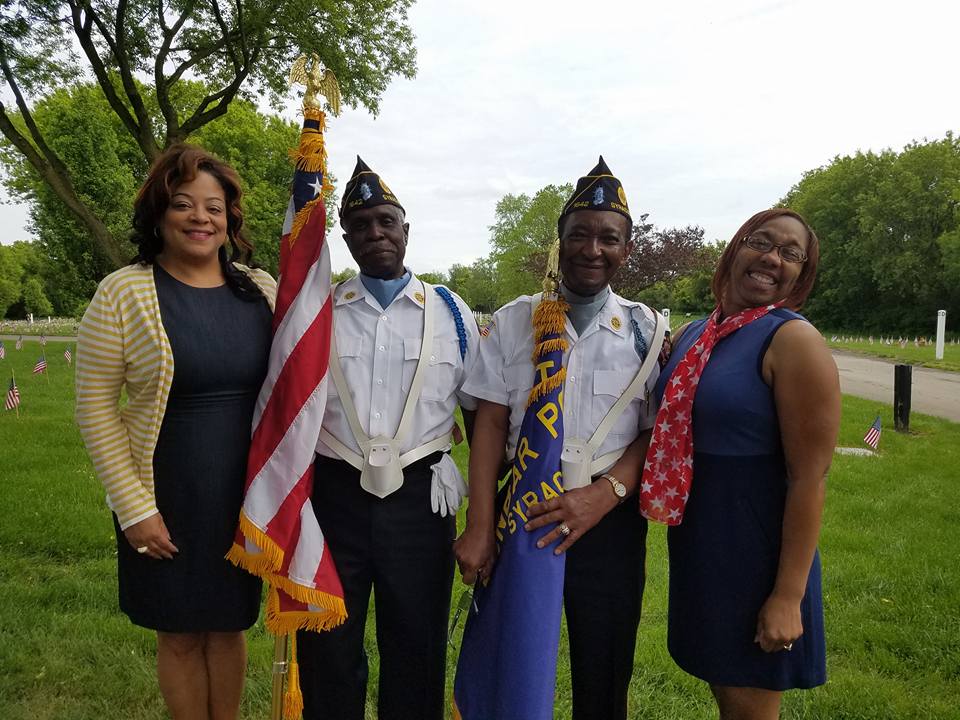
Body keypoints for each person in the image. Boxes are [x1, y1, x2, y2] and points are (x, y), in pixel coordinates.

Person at [455, 157, 665, 720]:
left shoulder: (647, 329)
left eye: (609, 238)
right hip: (524, 511)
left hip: (609, 517)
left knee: (604, 670)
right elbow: (491, 423)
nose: (592, 249)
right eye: (579, 235)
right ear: (560, 241)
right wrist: (479, 527)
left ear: (626, 248)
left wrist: (607, 494)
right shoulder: (515, 321)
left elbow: (653, 431)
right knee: (515, 660)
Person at [75, 144, 276, 720]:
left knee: (230, 626)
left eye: (214, 207)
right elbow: (94, 408)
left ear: (229, 219)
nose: (200, 218)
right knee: (182, 634)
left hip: (244, 498)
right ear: (160, 213)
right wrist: (134, 507)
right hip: (165, 499)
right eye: (183, 204)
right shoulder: (123, 292)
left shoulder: (259, 289)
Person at [296, 157, 479, 720]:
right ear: (345, 237)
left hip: (420, 500)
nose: (375, 234)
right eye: (361, 225)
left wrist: (481, 514)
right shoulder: (319, 310)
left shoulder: (450, 312)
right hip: (333, 497)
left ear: (406, 230)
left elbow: (479, 411)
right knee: (328, 642)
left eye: (386, 222)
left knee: (417, 644)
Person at [640, 208, 840, 719]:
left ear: (802, 274)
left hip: (755, 550)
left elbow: (809, 477)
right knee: (722, 687)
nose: (772, 258)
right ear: (735, 248)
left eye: (791, 253)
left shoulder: (793, 341)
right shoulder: (695, 333)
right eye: (761, 241)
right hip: (701, 541)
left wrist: (787, 596)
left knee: (748, 703)